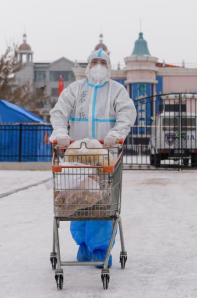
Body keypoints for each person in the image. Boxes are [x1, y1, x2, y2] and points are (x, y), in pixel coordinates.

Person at [50, 48, 136, 267]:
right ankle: (84, 245)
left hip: (106, 158)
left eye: (103, 62)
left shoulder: (116, 91)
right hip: (78, 156)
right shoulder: (76, 89)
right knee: (77, 200)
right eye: (95, 61)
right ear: (88, 66)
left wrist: (116, 134)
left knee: (103, 203)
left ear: (108, 66)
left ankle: (100, 249)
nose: (98, 65)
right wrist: (60, 133)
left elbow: (127, 114)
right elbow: (59, 112)